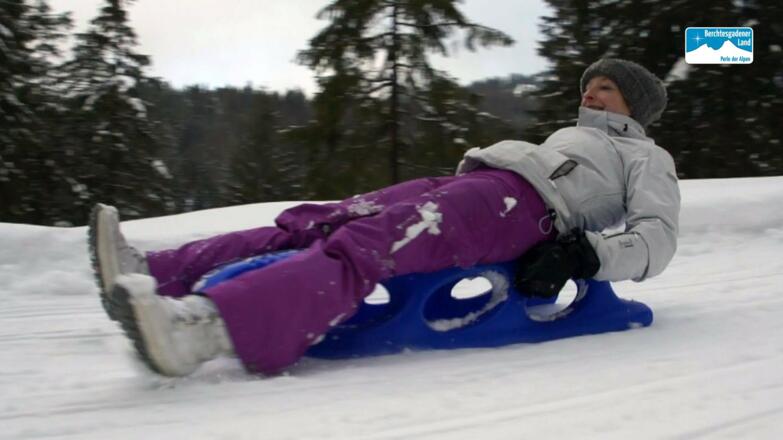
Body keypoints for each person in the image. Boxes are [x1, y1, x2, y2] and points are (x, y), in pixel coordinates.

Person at [91, 58, 680, 377]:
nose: (589, 96)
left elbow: (657, 238)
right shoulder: (571, 134)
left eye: (604, 89)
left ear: (636, 106)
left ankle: (202, 332)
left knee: (367, 244)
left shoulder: (646, 156)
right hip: (476, 185)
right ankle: (155, 269)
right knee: (315, 221)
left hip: (519, 211)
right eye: (588, 88)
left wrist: (585, 256)